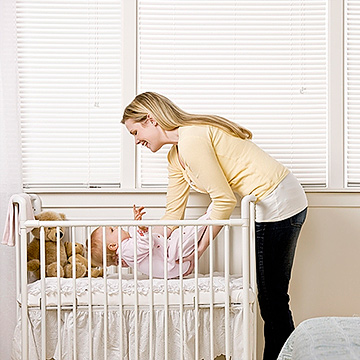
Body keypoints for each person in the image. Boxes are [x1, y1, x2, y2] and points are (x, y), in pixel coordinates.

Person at [121, 92, 308, 360]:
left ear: (151, 119)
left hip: (278, 199)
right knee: (271, 297)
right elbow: (173, 215)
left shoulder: (192, 139)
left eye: (135, 131)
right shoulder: (176, 157)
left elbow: (224, 200)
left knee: (272, 298)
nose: (136, 140)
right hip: (267, 202)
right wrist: (145, 235)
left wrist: (200, 248)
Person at [90, 204, 211, 279]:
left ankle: (207, 219)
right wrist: (140, 227)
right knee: (187, 233)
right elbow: (146, 244)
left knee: (181, 234)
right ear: (113, 245)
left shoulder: (127, 250)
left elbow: (137, 241)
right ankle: (209, 216)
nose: (116, 227)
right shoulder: (126, 250)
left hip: (174, 263)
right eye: (112, 230)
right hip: (174, 259)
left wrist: (137, 224)